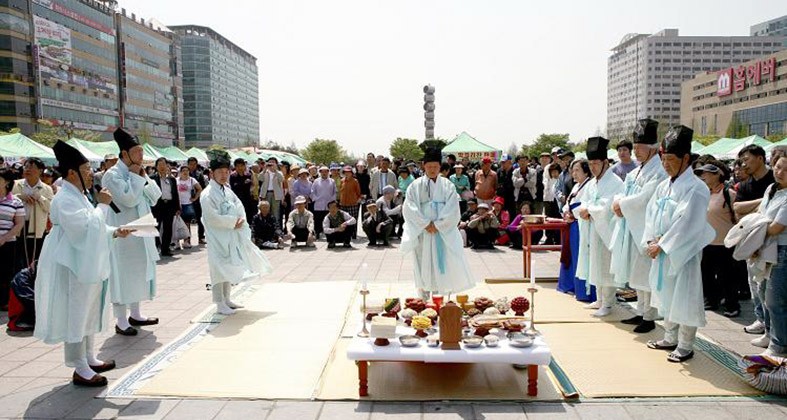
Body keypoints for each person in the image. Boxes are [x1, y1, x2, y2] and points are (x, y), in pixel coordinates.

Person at [35, 140, 133, 387]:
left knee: (90, 307)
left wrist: (113, 231)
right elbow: (83, 229)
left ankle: (89, 356)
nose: (91, 175)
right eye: (87, 170)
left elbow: (93, 224)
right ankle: (78, 366)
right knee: (76, 311)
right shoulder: (64, 198)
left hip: (84, 259)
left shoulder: (78, 195)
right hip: (71, 261)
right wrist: (102, 204)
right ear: (71, 173)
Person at [642, 126, 715, 363]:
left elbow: (688, 223)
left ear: (686, 158)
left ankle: (685, 344)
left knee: (684, 296)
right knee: (666, 293)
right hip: (662, 250)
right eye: (663, 159)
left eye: (671, 160)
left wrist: (663, 244)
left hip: (682, 252)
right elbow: (651, 214)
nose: (665, 165)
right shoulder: (665, 186)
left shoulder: (696, 188)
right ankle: (670, 336)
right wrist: (651, 240)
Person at [608, 119, 669, 333]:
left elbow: (645, 198)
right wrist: (618, 202)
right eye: (634, 147)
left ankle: (650, 315)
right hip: (632, 228)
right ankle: (641, 311)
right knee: (637, 273)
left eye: (639, 147)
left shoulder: (659, 171)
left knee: (647, 274)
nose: (635, 151)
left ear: (652, 148)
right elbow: (624, 193)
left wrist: (621, 204)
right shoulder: (635, 172)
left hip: (646, 228)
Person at [102, 128, 162, 336]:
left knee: (139, 273)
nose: (141, 156)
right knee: (121, 275)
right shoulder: (112, 175)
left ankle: (135, 314)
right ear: (125, 154)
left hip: (141, 230)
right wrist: (136, 178)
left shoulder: (138, 172)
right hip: (122, 234)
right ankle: (120, 320)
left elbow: (155, 196)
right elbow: (128, 199)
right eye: (137, 152)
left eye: (142, 152)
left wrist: (144, 177)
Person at [201, 150, 272, 315]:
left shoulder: (226, 189)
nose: (224, 175)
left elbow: (238, 204)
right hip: (217, 237)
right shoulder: (207, 194)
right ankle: (219, 303)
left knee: (228, 267)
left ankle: (227, 299)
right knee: (218, 269)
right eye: (220, 172)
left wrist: (240, 219)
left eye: (226, 172)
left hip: (230, 234)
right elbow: (212, 218)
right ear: (212, 173)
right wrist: (233, 222)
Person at [401, 148, 475, 299]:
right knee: (423, 262)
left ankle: (440, 297)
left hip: (441, 232)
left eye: (435, 167)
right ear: (424, 166)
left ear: (440, 167)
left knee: (442, 262)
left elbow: (453, 208)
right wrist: (425, 224)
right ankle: (423, 297)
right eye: (429, 167)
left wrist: (439, 225)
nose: (432, 170)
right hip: (423, 231)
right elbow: (409, 207)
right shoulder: (415, 186)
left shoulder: (448, 185)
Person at [576, 137, 624, 317]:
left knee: (605, 265)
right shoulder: (592, 182)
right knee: (595, 263)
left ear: (605, 162)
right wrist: (583, 209)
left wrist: (589, 209)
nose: (593, 167)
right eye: (590, 163)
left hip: (607, 230)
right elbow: (586, 201)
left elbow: (608, 205)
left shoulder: (615, 182)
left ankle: (608, 302)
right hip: (593, 229)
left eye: (596, 163)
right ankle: (599, 299)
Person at [733, 145, 775, 337]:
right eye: (742, 161)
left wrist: (756, 207)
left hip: (774, 240)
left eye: (747, 160)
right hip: (750, 241)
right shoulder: (744, 185)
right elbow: (738, 208)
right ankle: (760, 319)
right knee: (754, 285)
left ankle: (772, 326)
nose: (744, 165)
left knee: (771, 288)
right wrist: (764, 201)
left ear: (760, 158)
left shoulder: (776, 180)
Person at [694, 162, 739, 317]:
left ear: (717, 175)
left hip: (724, 243)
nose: (703, 176)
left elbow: (738, 216)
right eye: (701, 174)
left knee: (726, 276)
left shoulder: (729, 194)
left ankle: (732, 304)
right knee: (706, 274)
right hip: (706, 242)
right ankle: (712, 300)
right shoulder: (704, 193)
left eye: (706, 173)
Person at [758, 156, 786, 357]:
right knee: (762, 292)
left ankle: (779, 344)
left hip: (782, 250)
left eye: (785, 169)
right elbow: (761, 216)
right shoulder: (771, 189)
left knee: (776, 299)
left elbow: (776, 227)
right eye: (777, 167)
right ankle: (769, 333)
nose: (779, 172)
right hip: (766, 247)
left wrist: (754, 231)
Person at [559, 159, 596, 302]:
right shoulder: (576, 186)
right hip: (572, 224)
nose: (574, 173)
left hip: (582, 225)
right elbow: (568, 203)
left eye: (577, 170)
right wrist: (566, 212)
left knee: (582, 257)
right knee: (571, 255)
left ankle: (584, 291)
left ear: (586, 171)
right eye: (572, 170)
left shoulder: (589, 185)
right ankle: (571, 285)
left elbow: (585, 205)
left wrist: (572, 213)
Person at [12, 157, 53, 269]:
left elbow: (50, 208)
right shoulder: (15, 184)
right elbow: (6, 199)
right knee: (16, 259)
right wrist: (19, 197)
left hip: (36, 228)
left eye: (31, 167)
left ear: (40, 171)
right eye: (26, 166)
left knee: (34, 259)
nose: (27, 169)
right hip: (16, 227)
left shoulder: (47, 189)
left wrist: (40, 197)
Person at [0, 167, 24, 311]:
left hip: (8, 243)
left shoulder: (15, 202)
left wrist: (4, 237)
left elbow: (19, 223)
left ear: (7, 182)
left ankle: (4, 301)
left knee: (5, 273)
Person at [150, 158, 179, 256]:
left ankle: (165, 249)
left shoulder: (171, 179)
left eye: (164, 164)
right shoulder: (152, 178)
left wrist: (177, 207)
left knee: (168, 228)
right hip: (157, 206)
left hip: (169, 206)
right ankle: (155, 247)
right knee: (156, 228)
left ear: (167, 166)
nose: (162, 167)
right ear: (156, 166)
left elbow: (175, 194)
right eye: (160, 164)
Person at [177, 165, 202, 249]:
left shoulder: (192, 180)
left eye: (187, 170)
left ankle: (186, 241)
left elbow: (199, 189)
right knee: (176, 223)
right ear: (180, 172)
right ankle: (176, 242)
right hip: (178, 204)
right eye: (183, 170)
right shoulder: (176, 180)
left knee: (187, 223)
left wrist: (195, 198)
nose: (185, 172)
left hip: (188, 203)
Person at [310, 166, 335, 239]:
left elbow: (334, 192)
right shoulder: (316, 181)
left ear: (328, 172)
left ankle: (329, 234)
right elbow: (312, 192)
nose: (324, 173)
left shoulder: (332, 181)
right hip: (319, 203)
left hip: (328, 203)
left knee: (328, 219)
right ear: (320, 172)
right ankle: (317, 233)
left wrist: (332, 201)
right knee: (318, 219)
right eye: (322, 172)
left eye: (326, 171)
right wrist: (315, 198)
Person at [187, 157, 207, 244]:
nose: (192, 166)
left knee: (199, 218)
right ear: (188, 164)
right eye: (191, 164)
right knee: (187, 219)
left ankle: (201, 237)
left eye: (194, 164)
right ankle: (187, 239)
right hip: (187, 200)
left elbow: (203, 187)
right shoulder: (185, 174)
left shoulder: (200, 174)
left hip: (198, 199)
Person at [229, 158, 256, 224]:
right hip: (237, 200)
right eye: (237, 166)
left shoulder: (248, 175)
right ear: (235, 167)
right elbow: (233, 187)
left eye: (241, 166)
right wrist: (243, 183)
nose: (240, 168)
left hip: (248, 200)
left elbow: (254, 185)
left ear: (244, 166)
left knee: (249, 217)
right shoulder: (233, 176)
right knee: (239, 218)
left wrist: (251, 189)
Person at [260, 157, 285, 225]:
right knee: (265, 211)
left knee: (275, 212)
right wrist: (264, 169)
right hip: (266, 193)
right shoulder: (265, 172)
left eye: (273, 162)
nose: (271, 164)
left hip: (275, 195)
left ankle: (275, 228)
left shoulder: (279, 172)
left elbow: (282, 179)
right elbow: (260, 178)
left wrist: (275, 170)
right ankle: (266, 226)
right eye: (270, 162)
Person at [339, 166, 361, 238]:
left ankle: (353, 234)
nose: (347, 173)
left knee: (353, 219)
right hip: (343, 204)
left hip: (353, 203)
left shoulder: (355, 181)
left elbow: (358, 193)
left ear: (351, 173)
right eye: (345, 172)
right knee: (343, 220)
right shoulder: (342, 180)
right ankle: (345, 234)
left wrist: (357, 200)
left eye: (348, 172)